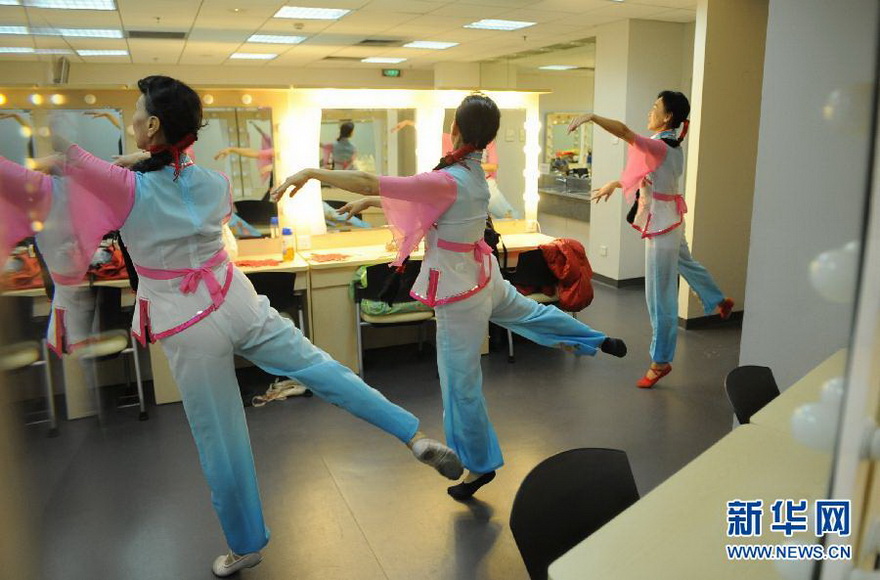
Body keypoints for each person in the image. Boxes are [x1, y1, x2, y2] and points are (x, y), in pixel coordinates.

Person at [0, 75, 462, 577]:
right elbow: (159, 177)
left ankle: (244, 544)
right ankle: (412, 435)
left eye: (136, 113)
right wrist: (120, 164)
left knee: (221, 435)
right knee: (324, 369)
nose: (131, 119)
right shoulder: (214, 183)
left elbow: (72, 172)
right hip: (237, 298)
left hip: (185, 321)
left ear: (152, 125)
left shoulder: (125, 188)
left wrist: (56, 153)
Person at [273, 94, 627, 501]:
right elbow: (433, 205)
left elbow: (382, 183)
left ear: (455, 130)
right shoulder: (474, 173)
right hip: (484, 276)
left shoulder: (449, 178)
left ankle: (477, 467)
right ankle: (595, 339)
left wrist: (311, 171)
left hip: (461, 294)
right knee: (529, 314)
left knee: (461, 387)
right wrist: (373, 200)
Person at [568, 91, 734, 388]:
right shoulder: (671, 145)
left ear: (668, 117)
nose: (649, 112)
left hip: (662, 228)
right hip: (671, 221)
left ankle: (660, 361)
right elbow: (647, 174)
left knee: (660, 298)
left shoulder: (659, 145)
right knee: (688, 264)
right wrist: (614, 183)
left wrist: (592, 117)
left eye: (655, 107)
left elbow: (623, 131)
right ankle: (716, 299)